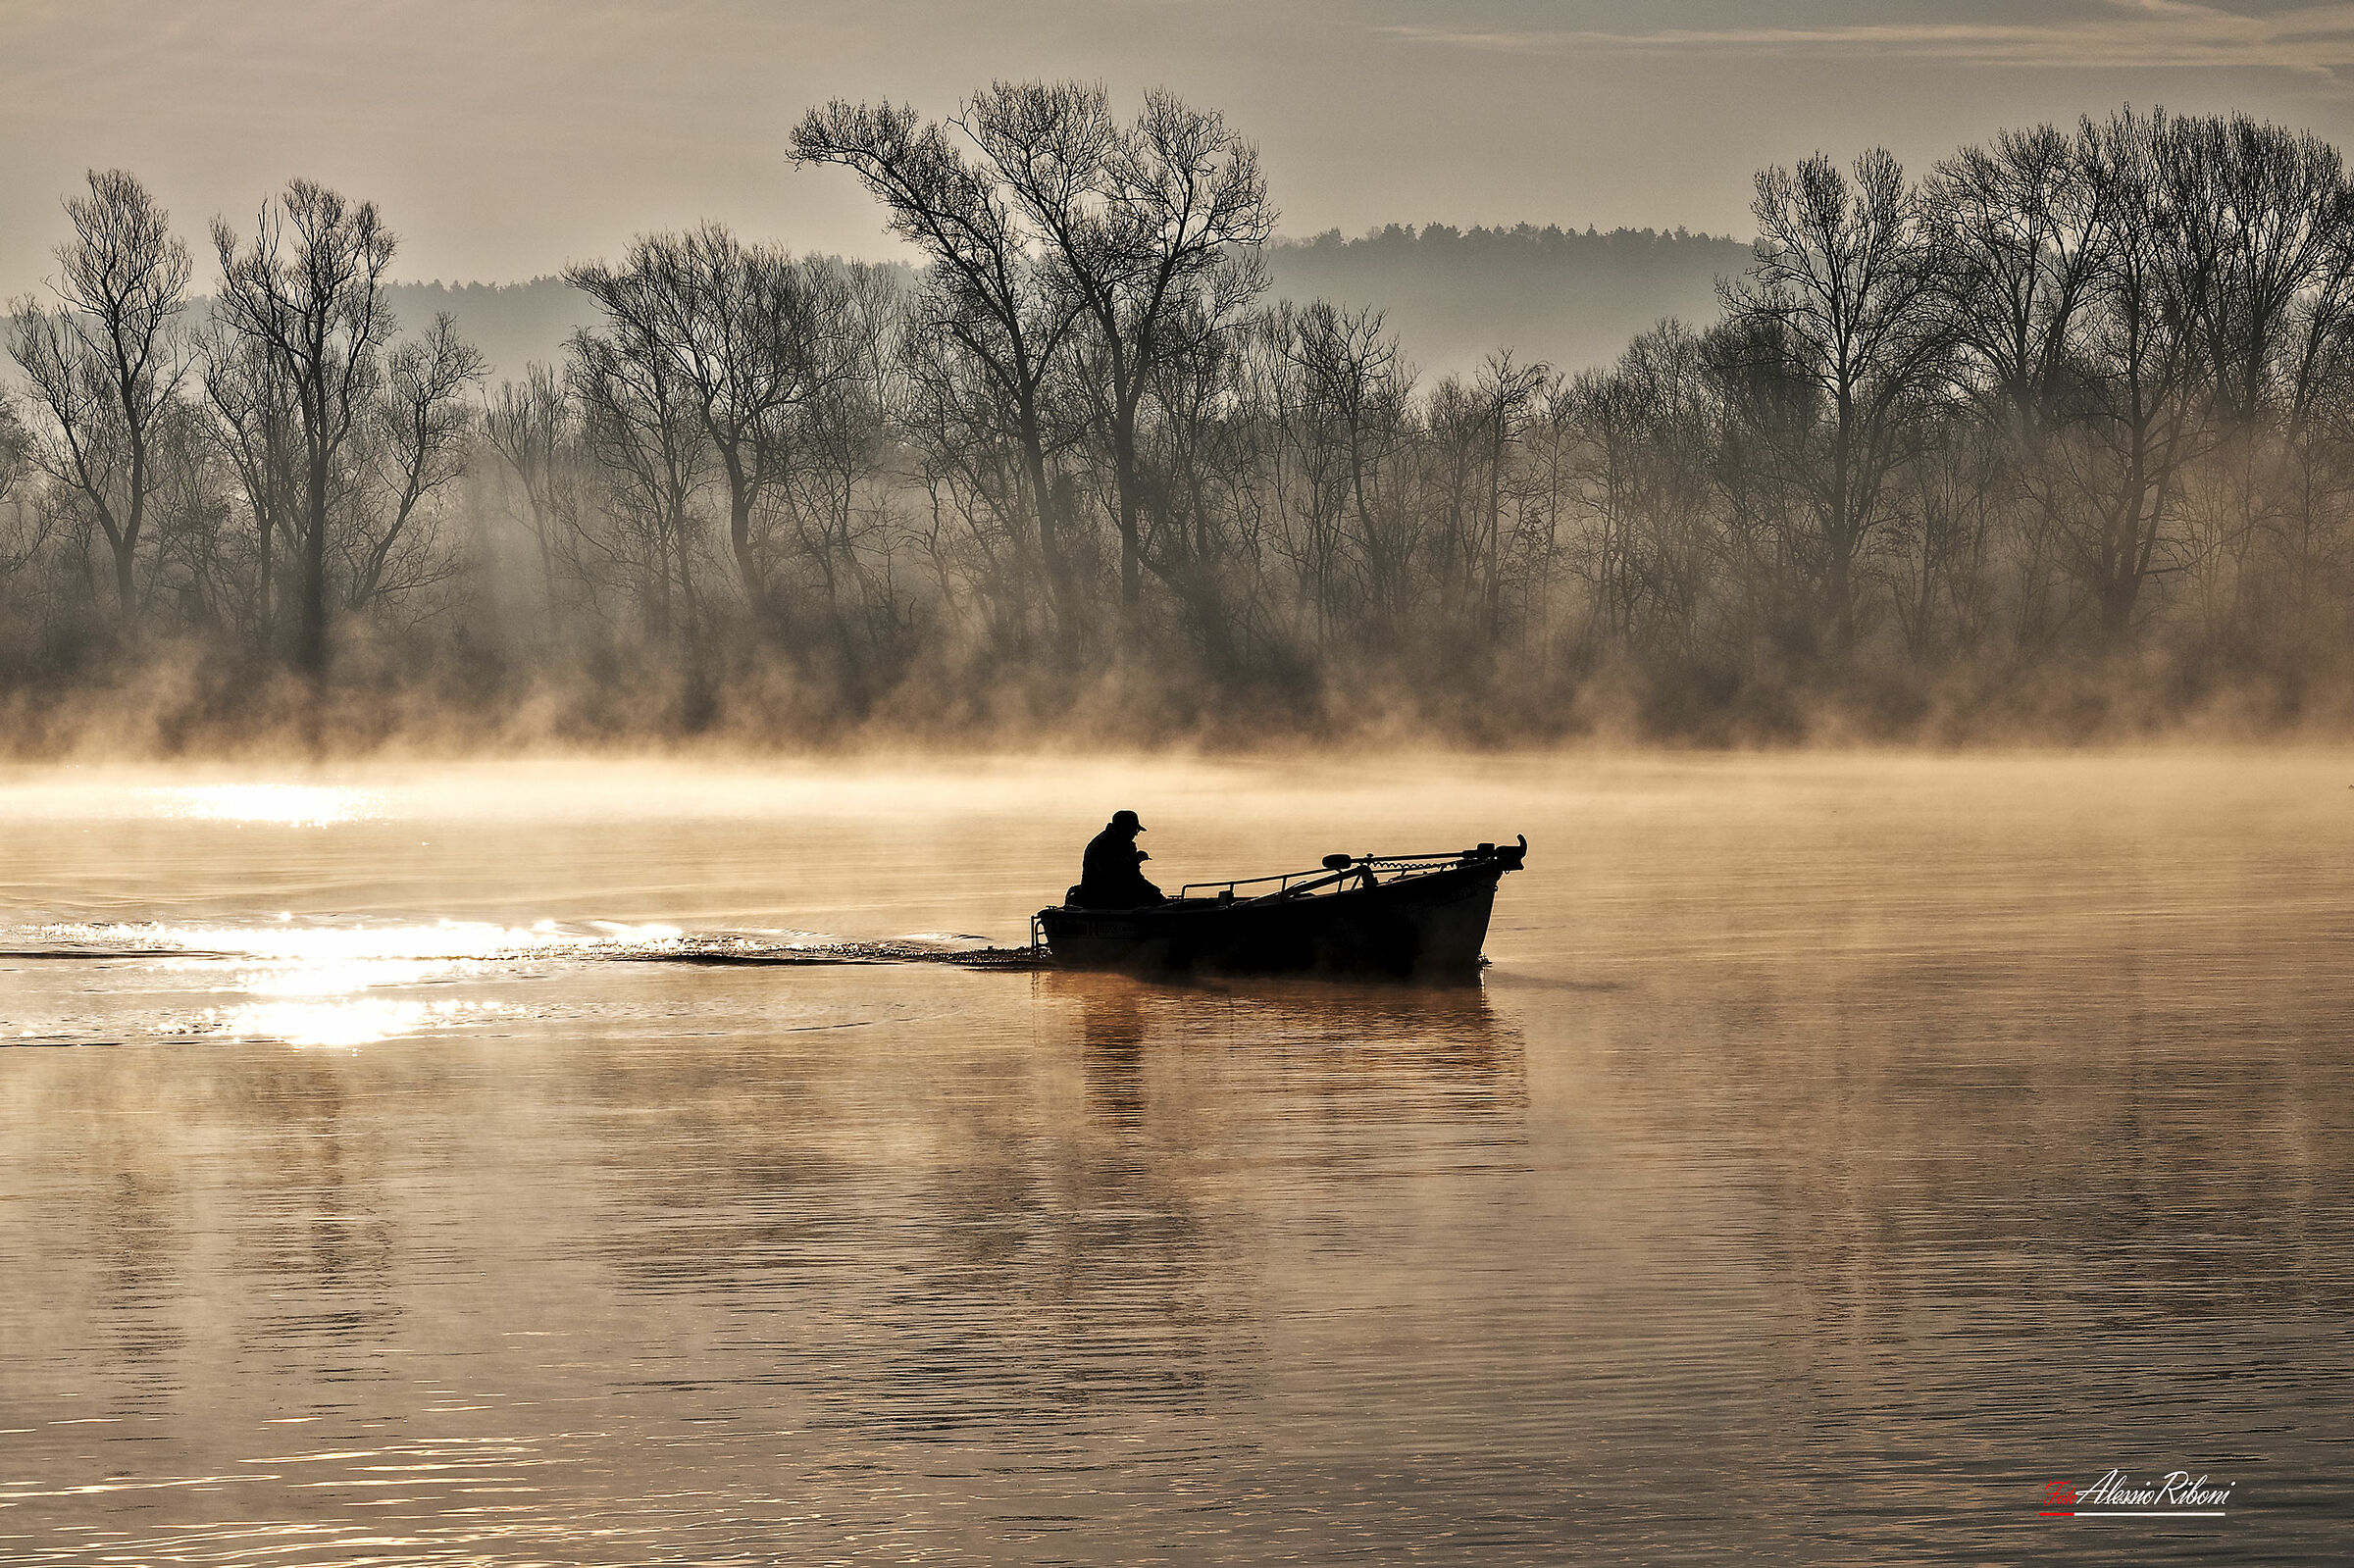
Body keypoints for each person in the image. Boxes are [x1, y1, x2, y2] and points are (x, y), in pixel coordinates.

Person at [1073, 809, 1164, 909]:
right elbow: (1114, 876)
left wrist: (1154, 893)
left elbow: (1134, 877)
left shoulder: (1124, 844)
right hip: (1100, 897)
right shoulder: (1103, 845)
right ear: (1124, 828)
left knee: (1154, 898)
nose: (1136, 834)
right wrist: (1134, 861)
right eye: (1135, 830)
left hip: (1115, 892)